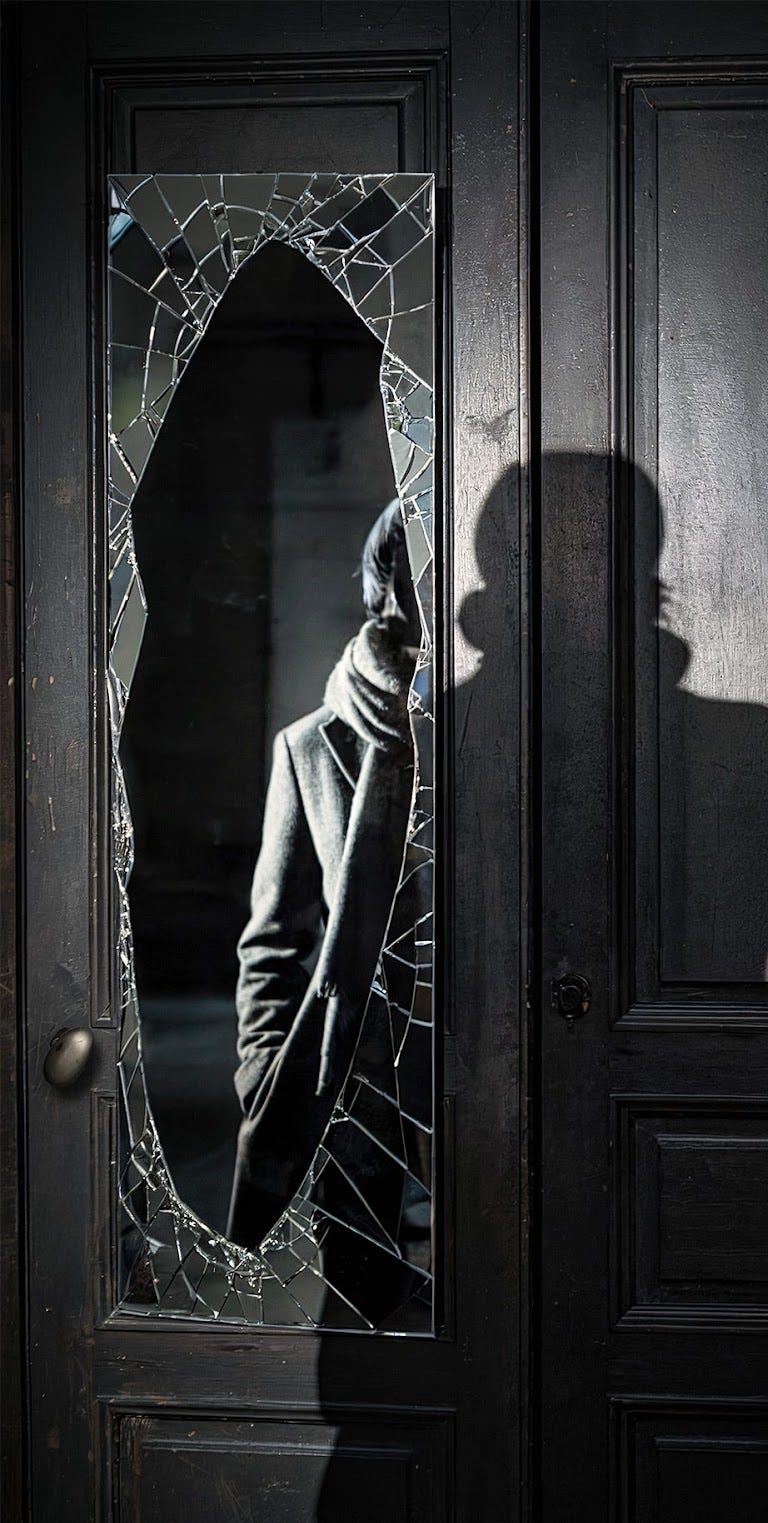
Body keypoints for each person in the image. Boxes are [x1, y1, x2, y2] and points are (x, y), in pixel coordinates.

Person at [226, 500, 424, 1276]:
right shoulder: (314, 745)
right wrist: (265, 1074)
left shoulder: (549, 731)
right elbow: (272, 941)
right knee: (369, 1356)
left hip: (514, 1108)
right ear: (388, 596)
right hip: (354, 1110)